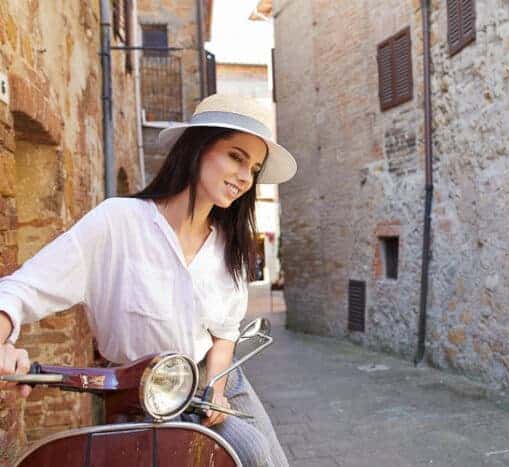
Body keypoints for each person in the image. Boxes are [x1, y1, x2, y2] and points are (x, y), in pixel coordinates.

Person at [0, 94, 296, 467]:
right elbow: (24, 287)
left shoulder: (229, 247)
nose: (244, 177)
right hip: (143, 394)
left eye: (253, 169)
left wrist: (215, 393)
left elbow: (224, 337)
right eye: (236, 157)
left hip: (213, 384)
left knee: (264, 457)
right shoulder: (117, 222)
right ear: (198, 148)